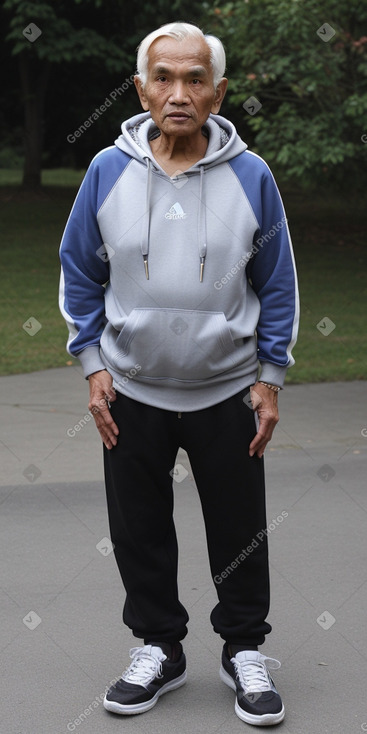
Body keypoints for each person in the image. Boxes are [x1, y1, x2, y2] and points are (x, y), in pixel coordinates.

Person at [59, 21, 299, 727]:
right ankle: (159, 648)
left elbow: (277, 282)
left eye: (195, 79)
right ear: (140, 88)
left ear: (218, 93)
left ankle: (244, 650)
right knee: (138, 529)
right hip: (130, 390)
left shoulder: (250, 175)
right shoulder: (106, 169)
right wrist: (92, 365)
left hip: (226, 388)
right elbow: (80, 271)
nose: (178, 92)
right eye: (163, 77)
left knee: (238, 528)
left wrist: (271, 376)